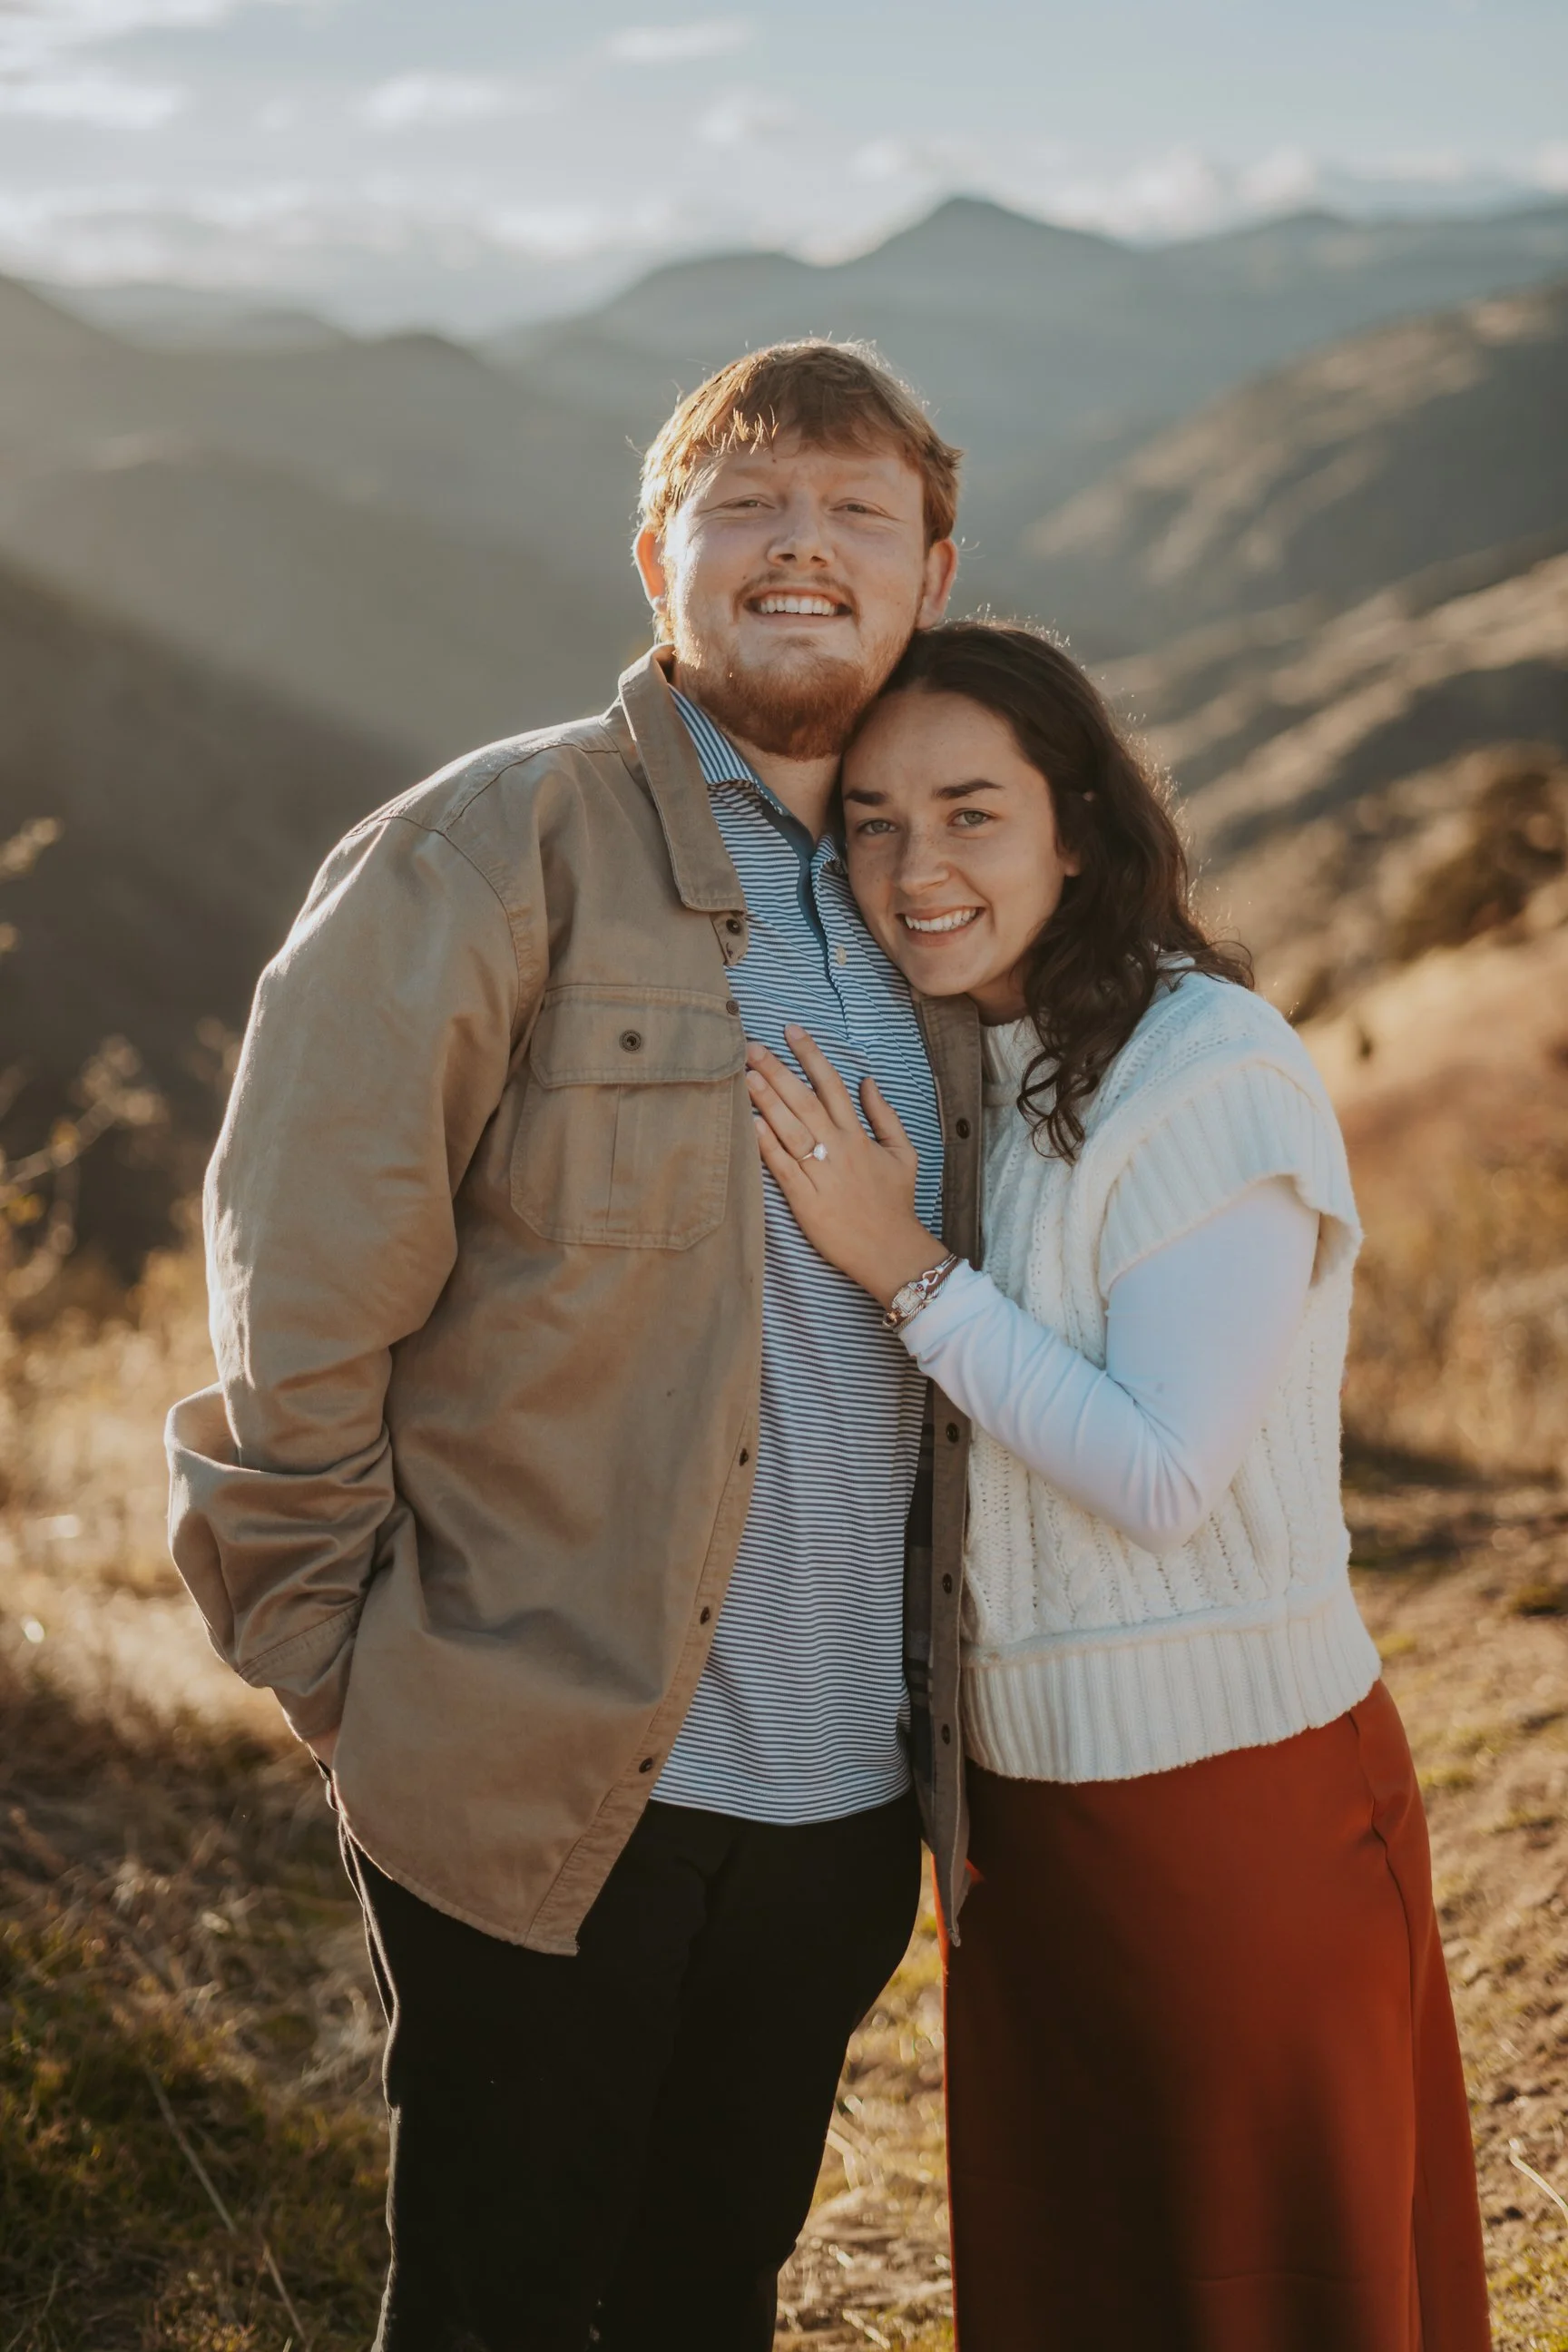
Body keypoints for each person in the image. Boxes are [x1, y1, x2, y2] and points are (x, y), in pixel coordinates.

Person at [164, 341, 985, 2352]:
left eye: (858, 514)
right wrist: (345, 1677)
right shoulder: (490, 850)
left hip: (844, 1807)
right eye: (751, 507)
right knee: (498, 2308)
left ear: (933, 575)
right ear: (656, 557)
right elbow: (302, 1282)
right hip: (540, 1788)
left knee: (712, 2296)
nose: (805, 551)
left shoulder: (956, 896)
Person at [748, 619, 1493, 2351]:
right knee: (1090, 2283)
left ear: (1077, 828)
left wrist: (906, 1270)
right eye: (869, 820)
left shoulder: (1210, 1070)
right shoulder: (974, 1076)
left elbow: (1161, 1473)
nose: (916, 867)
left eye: (970, 813)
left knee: (1261, 2289)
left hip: (1235, 1811)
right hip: (1027, 1816)